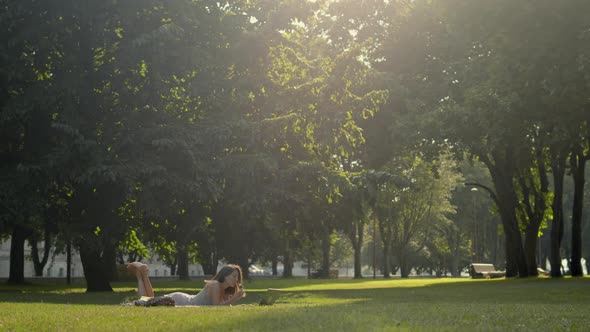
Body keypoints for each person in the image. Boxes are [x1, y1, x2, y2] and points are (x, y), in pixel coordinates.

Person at [127, 262, 246, 306]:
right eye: (234, 276)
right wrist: (234, 298)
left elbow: (224, 306)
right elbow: (216, 307)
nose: (236, 280)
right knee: (145, 302)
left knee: (150, 300)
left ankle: (142, 273)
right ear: (225, 275)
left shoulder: (223, 289)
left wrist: (237, 302)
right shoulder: (215, 285)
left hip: (183, 298)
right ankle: (141, 274)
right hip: (181, 300)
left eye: (238, 277)